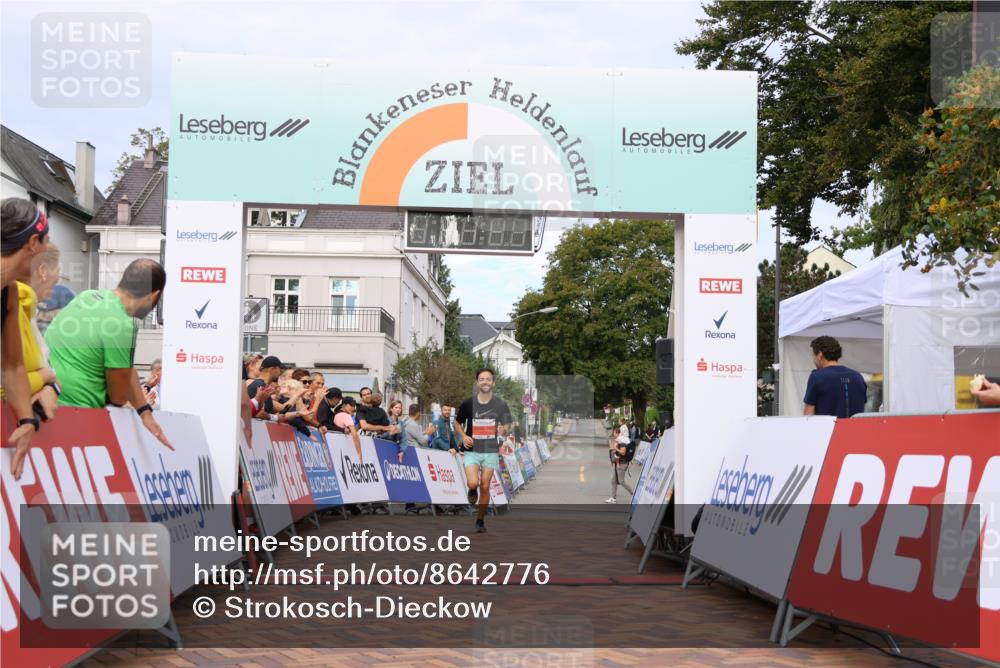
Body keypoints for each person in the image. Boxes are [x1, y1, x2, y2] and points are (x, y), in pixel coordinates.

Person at [44, 258, 172, 449]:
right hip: (76, 420)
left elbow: (127, 372)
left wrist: (145, 412)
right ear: (154, 295)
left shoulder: (87, 297)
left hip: (43, 406)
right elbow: (118, 397)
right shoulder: (122, 323)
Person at [1, 197, 49, 480]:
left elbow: (12, 366)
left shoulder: (9, 293)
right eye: (45, 242)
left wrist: (27, 420)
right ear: (33, 242)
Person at [455, 367, 513, 533]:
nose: (485, 382)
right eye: (482, 379)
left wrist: (504, 430)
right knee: (474, 483)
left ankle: (480, 520)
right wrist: (464, 436)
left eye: (488, 379)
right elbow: (457, 423)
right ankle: (472, 490)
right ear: (477, 382)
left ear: (493, 383)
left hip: (490, 450)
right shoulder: (467, 403)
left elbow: (508, 425)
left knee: (485, 486)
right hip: (472, 449)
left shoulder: (501, 404)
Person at [803, 336, 867, 418]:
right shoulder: (858, 376)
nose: (813, 360)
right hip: (855, 429)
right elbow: (861, 409)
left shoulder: (817, 377)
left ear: (820, 355)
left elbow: (808, 416)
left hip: (828, 430)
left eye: (813, 356)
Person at [606, 427, 635, 503]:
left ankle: (634, 494)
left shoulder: (622, 441)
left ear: (617, 433)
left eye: (614, 433)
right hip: (618, 463)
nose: (613, 434)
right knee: (613, 481)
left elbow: (623, 452)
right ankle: (613, 498)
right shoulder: (619, 440)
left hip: (622, 464)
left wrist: (615, 447)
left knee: (621, 481)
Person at [333, 395, 363, 461]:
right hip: (344, 451)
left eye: (354, 406)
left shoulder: (336, 413)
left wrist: (358, 426)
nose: (353, 408)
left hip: (336, 449)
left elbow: (346, 431)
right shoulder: (346, 416)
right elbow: (354, 435)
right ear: (344, 405)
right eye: (351, 405)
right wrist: (359, 454)